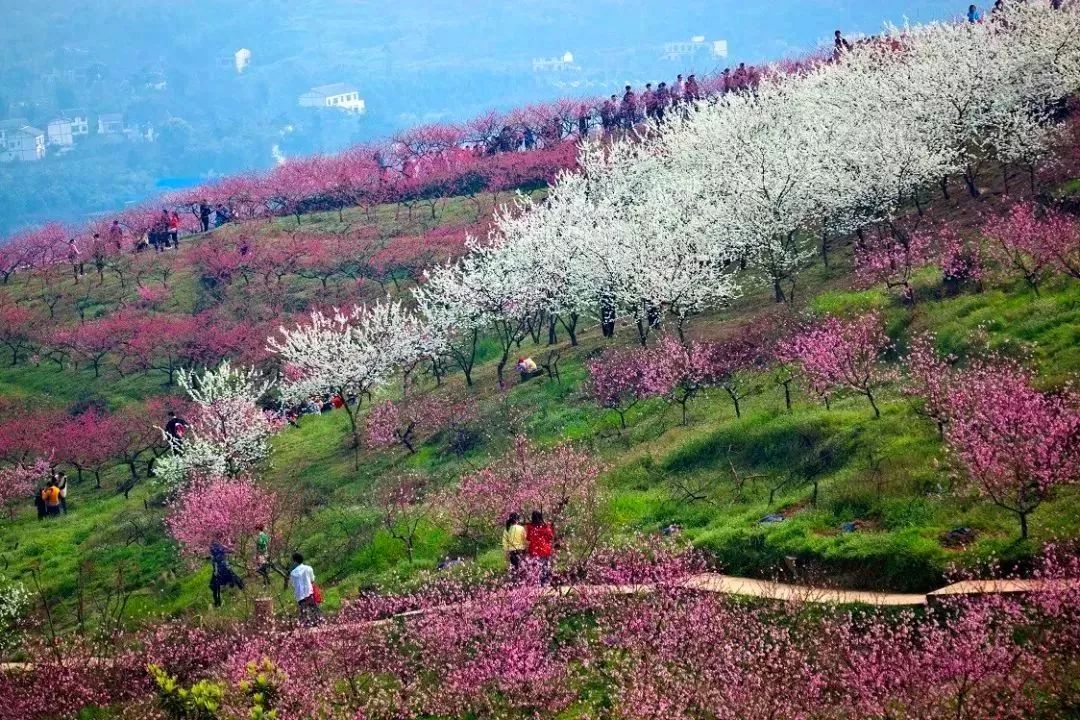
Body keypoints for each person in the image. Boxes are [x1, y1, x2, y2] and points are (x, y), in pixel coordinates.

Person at [287, 552, 320, 625]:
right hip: (309, 593)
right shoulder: (308, 568)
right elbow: (312, 580)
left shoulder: (292, 573)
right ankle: (318, 623)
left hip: (300, 595)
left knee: (304, 612)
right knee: (314, 609)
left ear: (295, 561)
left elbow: (293, 585)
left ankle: (306, 626)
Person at [209, 540, 244, 607]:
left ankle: (217, 603)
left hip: (220, 569)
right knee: (234, 579)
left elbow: (215, 561)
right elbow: (230, 551)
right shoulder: (220, 548)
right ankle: (218, 603)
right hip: (224, 568)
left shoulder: (215, 549)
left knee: (215, 586)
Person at [525, 510, 555, 585]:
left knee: (536, 567)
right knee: (545, 567)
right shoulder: (546, 526)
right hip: (545, 549)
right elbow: (551, 536)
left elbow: (528, 538)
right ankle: (544, 583)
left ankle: (537, 583)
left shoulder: (530, 527)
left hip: (534, 550)